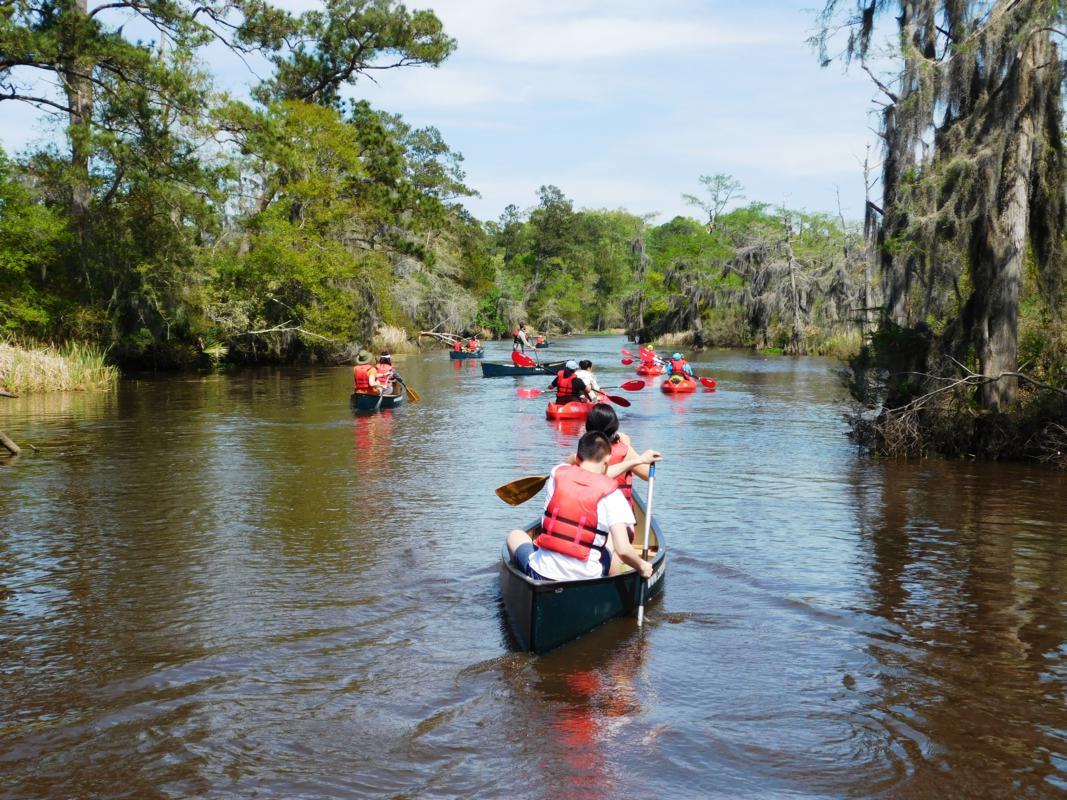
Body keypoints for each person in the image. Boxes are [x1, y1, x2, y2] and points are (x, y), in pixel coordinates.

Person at [505, 431, 660, 581]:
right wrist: (642, 566)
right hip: (588, 579)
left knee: (514, 535)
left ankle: (522, 582)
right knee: (612, 538)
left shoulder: (556, 473)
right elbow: (623, 550)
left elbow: (569, 461)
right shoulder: (614, 494)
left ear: (578, 458)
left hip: (541, 574)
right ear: (607, 461)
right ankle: (612, 583)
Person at [583, 403, 652, 508]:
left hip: (590, 508)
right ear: (614, 427)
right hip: (618, 510)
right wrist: (628, 446)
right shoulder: (624, 451)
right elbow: (648, 474)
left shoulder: (583, 449)